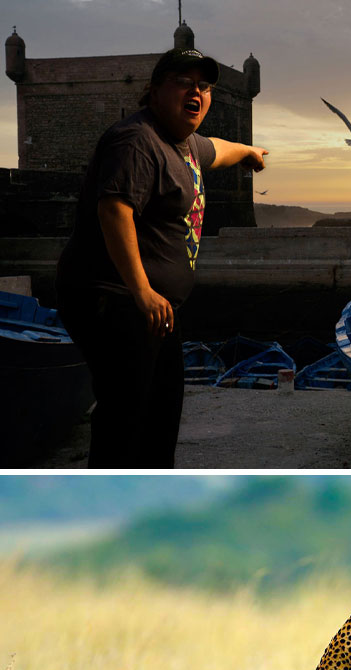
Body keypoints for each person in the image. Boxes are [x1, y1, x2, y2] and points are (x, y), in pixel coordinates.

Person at [56, 47, 268, 468]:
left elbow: (216, 149)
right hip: (116, 298)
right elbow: (114, 209)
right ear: (154, 92)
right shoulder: (137, 141)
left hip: (152, 305)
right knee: (127, 417)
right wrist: (142, 291)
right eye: (184, 82)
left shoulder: (183, 143)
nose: (197, 92)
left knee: (161, 412)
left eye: (204, 86)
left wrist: (247, 151)